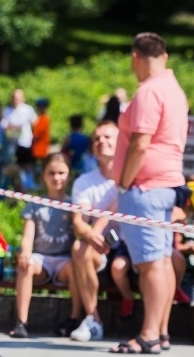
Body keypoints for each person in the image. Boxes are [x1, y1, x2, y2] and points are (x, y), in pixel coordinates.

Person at [110, 32, 188, 355]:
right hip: (167, 184)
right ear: (165, 56)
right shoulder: (174, 89)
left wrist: (125, 183)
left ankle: (148, 334)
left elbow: (140, 143)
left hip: (145, 187)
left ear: (135, 58)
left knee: (151, 264)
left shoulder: (148, 91)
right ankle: (162, 330)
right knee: (164, 262)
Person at [69, 121, 134, 342]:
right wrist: (91, 235)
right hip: (103, 247)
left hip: (133, 245)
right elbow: (79, 221)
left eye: (107, 138)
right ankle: (93, 319)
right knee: (80, 248)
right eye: (97, 138)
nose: (101, 142)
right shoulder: (84, 182)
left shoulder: (132, 175)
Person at [9, 153, 80, 338]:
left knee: (76, 268)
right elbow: (27, 236)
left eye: (61, 173)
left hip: (65, 260)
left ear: (69, 175)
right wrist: (25, 252)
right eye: (52, 173)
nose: (57, 178)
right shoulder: (35, 204)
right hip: (42, 259)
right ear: (44, 176)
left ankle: (74, 319)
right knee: (26, 265)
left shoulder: (74, 204)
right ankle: (22, 322)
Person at [2, 89, 37, 188]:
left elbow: (35, 123)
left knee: (27, 164)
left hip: (25, 142)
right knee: (13, 166)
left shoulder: (28, 109)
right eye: (14, 97)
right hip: (11, 142)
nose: (15, 100)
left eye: (17, 98)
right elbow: (4, 125)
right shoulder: (7, 110)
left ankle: (30, 184)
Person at [31, 98, 51, 163]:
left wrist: (32, 142)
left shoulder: (44, 119)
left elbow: (39, 134)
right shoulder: (39, 118)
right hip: (36, 148)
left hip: (40, 148)